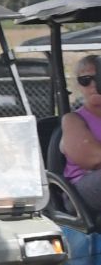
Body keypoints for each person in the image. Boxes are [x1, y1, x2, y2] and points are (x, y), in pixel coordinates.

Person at [58, 55, 101, 209]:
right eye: (85, 80)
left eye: (99, 78)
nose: (94, 85)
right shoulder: (72, 120)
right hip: (80, 191)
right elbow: (92, 158)